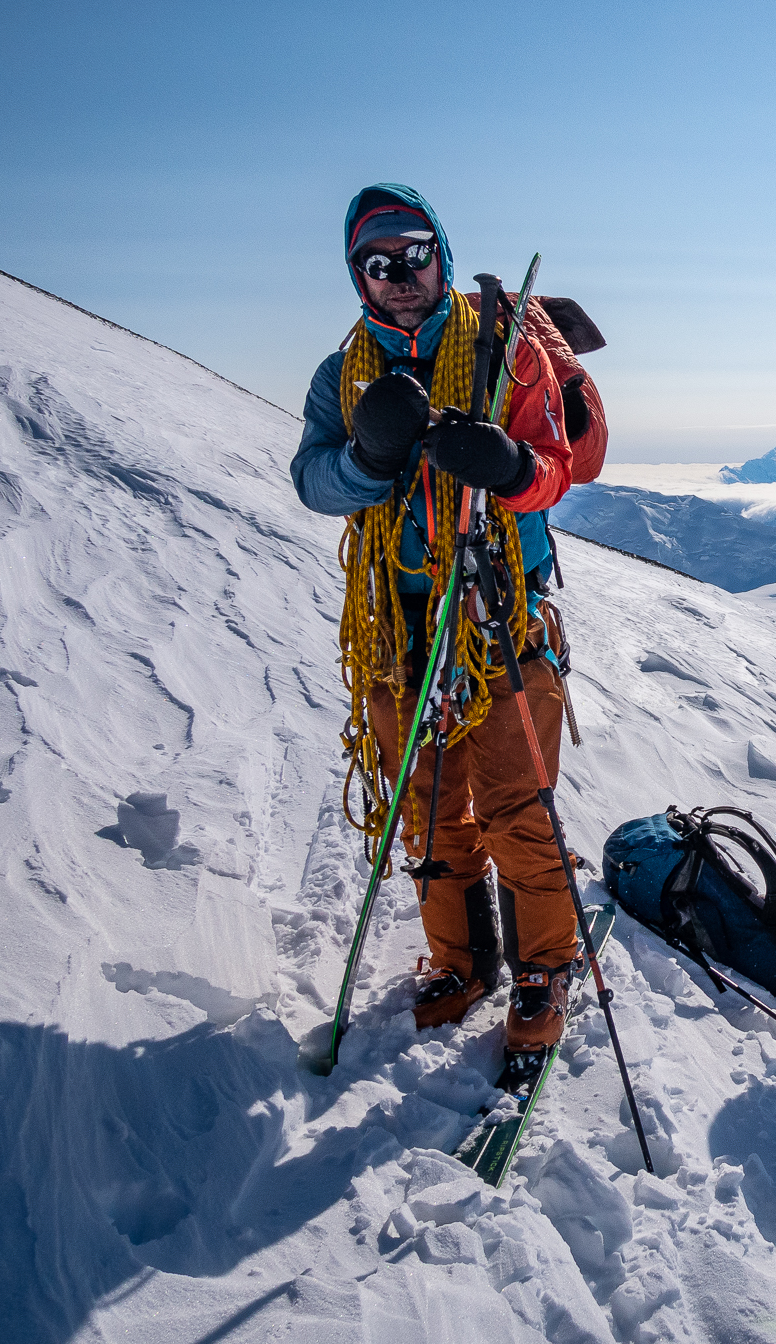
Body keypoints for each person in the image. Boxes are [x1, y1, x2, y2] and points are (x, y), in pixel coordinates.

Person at [290, 183, 607, 1064]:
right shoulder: (342, 374)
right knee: (426, 809)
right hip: (400, 628)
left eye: (414, 254)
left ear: (442, 255)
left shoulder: (505, 353)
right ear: (357, 276)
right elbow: (312, 480)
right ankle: (461, 960)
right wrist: (367, 457)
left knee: (515, 804)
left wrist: (509, 467)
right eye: (377, 263)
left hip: (498, 617)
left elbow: (557, 467)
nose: (399, 275)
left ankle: (545, 965)